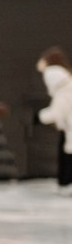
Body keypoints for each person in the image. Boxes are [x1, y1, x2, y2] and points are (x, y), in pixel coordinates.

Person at [36, 46, 72, 192]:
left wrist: (37, 117)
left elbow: (56, 113)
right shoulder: (66, 84)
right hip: (67, 127)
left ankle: (66, 183)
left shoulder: (61, 86)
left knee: (68, 156)